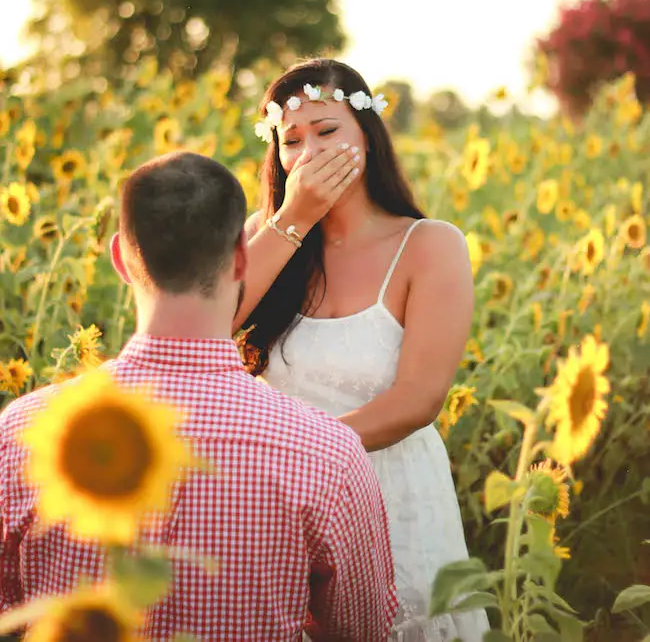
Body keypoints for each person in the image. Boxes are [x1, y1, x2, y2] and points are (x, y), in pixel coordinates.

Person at [0, 152, 398, 642]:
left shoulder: (22, 433)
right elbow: (362, 631)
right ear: (241, 258)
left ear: (121, 258)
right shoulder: (326, 453)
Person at [235, 59, 490, 642]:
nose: (309, 153)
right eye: (291, 141)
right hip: (280, 506)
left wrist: (307, 462)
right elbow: (208, 328)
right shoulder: (265, 236)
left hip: (385, 497)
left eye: (328, 131)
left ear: (367, 138)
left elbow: (418, 399)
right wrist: (292, 219)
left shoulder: (429, 245)